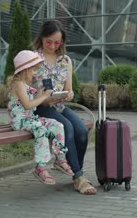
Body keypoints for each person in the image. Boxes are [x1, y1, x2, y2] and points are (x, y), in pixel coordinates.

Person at [32, 19, 97, 195]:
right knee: (67, 127)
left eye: (57, 42)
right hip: (39, 107)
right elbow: (23, 88)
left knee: (81, 131)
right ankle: (78, 177)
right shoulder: (32, 58)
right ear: (41, 38)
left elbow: (69, 89)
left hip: (58, 106)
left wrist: (68, 94)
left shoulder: (65, 60)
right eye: (49, 41)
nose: (53, 46)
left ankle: (76, 170)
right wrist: (42, 98)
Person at [7, 50, 74, 185]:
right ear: (25, 69)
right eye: (33, 70)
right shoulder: (18, 84)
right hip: (20, 120)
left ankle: (60, 158)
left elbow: (34, 105)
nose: (35, 73)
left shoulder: (26, 85)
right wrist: (43, 97)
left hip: (31, 119)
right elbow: (27, 105)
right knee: (41, 129)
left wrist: (45, 95)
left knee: (57, 124)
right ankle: (41, 167)